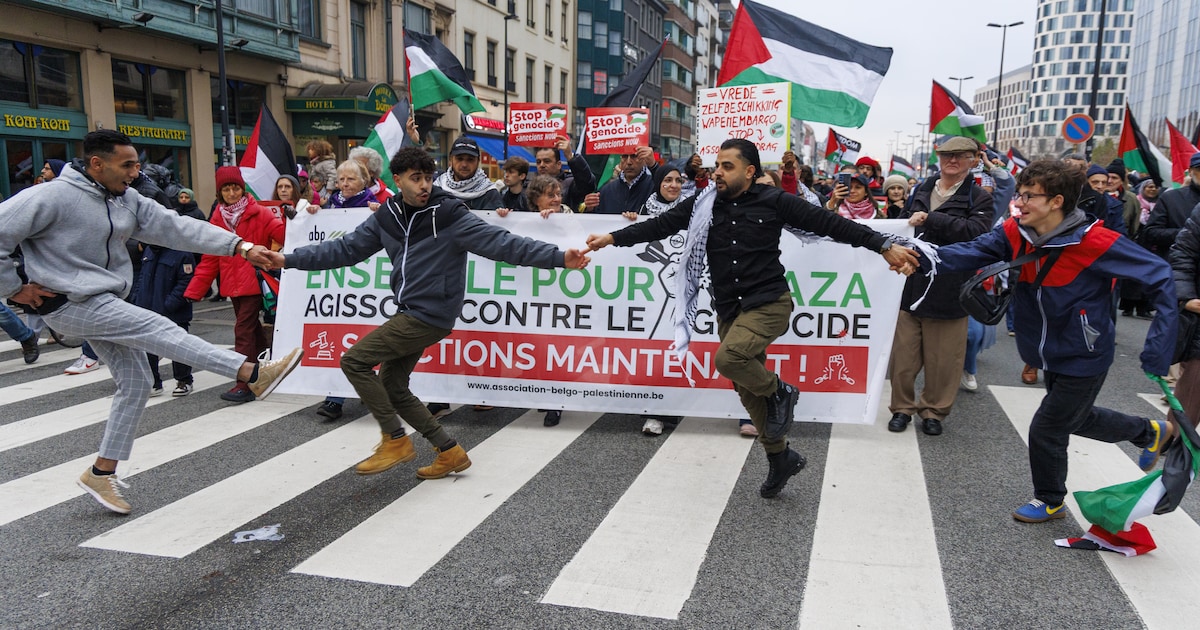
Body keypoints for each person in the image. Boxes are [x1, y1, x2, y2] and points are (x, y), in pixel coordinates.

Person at [585, 138, 919, 499]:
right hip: (730, 308)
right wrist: (612, 238)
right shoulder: (702, 206)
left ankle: (781, 390)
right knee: (747, 390)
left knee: (729, 359)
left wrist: (884, 245)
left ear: (749, 171)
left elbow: (831, 224)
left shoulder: (774, 200)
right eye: (717, 165)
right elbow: (659, 226)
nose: (718, 172)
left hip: (769, 302)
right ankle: (780, 457)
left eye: (727, 166)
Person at [0, 129, 300, 514]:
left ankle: (100, 471)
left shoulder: (126, 199)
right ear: (96, 163)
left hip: (105, 297)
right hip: (67, 301)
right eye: (127, 164)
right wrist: (14, 289)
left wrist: (239, 246)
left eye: (137, 163)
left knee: (138, 380)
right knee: (157, 328)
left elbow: (176, 227)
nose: (135, 171)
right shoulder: (50, 196)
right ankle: (250, 372)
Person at [259, 147, 591, 479]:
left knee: (354, 360)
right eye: (416, 179)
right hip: (411, 310)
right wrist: (288, 259)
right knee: (393, 384)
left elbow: (504, 243)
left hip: (431, 312)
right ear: (398, 179)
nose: (424, 186)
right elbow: (345, 249)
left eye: (429, 178)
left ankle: (395, 440)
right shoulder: (387, 216)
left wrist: (559, 257)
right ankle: (449, 451)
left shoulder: (449, 215)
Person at [916, 159, 1176, 522]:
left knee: (1048, 426)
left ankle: (1050, 500)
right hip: (1043, 348)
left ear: (1056, 201)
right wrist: (916, 257)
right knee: (1073, 417)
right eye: (1020, 194)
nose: (1019, 202)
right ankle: (1148, 431)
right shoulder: (1014, 231)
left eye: (1028, 196)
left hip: (1086, 350)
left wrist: (1159, 347)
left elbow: (1162, 275)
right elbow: (969, 252)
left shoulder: (1096, 241)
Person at [887, 136, 993, 436]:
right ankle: (902, 409)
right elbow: (904, 227)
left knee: (944, 362)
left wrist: (932, 219)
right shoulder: (921, 189)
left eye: (960, 155)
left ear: (974, 159)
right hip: (912, 284)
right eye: (947, 155)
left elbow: (977, 234)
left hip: (950, 288)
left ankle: (934, 411)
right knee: (903, 360)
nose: (952, 160)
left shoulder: (979, 197)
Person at [183, 166, 286, 403]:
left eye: (235, 188)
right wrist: (195, 289)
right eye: (226, 189)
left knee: (243, 330)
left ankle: (245, 382)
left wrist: (297, 219)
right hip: (232, 285)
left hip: (255, 282)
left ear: (242, 188)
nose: (231, 193)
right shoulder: (217, 217)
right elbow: (210, 257)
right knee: (252, 331)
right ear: (220, 193)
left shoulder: (258, 212)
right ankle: (268, 369)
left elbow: (283, 235)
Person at [435, 136, 502, 211]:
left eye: (470, 160)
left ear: (478, 161)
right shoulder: (437, 187)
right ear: (450, 159)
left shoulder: (490, 193)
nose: (464, 165)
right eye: (459, 159)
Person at [533, 137, 596, 211]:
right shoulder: (530, 186)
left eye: (547, 161)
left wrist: (570, 156)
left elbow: (587, 183)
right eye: (538, 162)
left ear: (559, 164)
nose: (542, 165)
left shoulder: (569, 184)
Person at [593, 147, 656, 215]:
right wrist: (589, 208)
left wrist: (654, 166)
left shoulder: (653, 186)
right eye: (625, 156)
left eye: (634, 156)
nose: (629, 162)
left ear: (644, 160)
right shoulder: (606, 190)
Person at [306, 140, 337, 206]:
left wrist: (329, 189)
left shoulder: (326, 163)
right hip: (317, 188)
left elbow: (333, 175)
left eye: (312, 149)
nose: (309, 151)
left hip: (325, 189)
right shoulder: (315, 163)